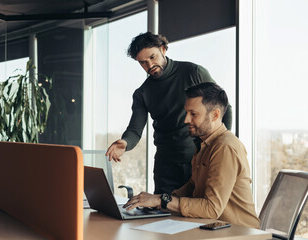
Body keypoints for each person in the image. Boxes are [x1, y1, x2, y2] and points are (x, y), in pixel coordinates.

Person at [105, 32, 232, 194]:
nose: (150, 65)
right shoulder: (142, 93)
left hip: (198, 161)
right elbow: (135, 130)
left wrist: (222, 144)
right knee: (163, 215)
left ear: (163, 49)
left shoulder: (194, 72)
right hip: (165, 167)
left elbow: (224, 108)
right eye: (143, 62)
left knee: (200, 214)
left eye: (152, 57)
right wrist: (125, 142)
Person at [123, 82, 260, 229]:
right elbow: (193, 186)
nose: (186, 120)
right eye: (186, 113)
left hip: (239, 233)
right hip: (212, 229)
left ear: (215, 115)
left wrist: (161, 200)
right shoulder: (204, 143)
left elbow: (211, 208)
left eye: (193, 114)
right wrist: (159, 203)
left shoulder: (225, 147)